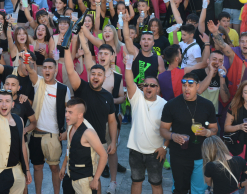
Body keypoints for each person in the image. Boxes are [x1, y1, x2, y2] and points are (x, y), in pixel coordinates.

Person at [64, 49, 118, 194]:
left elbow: (112, 122)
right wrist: (66, 49)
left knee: (95, 178)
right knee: (75, 175)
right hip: (79, 141)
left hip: (99, 143)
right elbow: (70, 71)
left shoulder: (108, 97)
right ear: (89, 76)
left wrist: (113, 142)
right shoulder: (81, 88)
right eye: (93, 74)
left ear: (104, 78)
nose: (95, 77)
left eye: (99, 75)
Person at [160, 72, 218, 194]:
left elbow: (215, 129)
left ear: (198, 87)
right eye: (184, 84)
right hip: (179, 156)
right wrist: (173, 136)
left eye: (190, 85)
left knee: (199, 191)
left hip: (201, 156)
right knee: (180, 190)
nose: (186, 88)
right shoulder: (171, 105)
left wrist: (207, 132)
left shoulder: (207, 105)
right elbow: (163, 130)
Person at [0, 65, 32, 193]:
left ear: (12, 104)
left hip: (17, 171)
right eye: (1, 101)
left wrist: (26, 170)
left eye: (7, 101)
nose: (4, 104)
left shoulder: (19, 120)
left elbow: (22, 146)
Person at [25, 56, 70, 194]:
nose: (47, 70)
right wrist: (26, 58)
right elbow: (30, 70)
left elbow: (70, 113)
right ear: (41, 70)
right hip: (36, 134)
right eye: (44, 68)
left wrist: (67, 132)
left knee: (54, 168)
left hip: (54, 136)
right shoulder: (38, 82)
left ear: (56, 70)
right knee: (37, 167)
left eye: (50, 67)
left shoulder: (63, 89)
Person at [124, 53, 167, 194]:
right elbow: (129, 82)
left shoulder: (165, 105)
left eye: (153, 85)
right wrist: (128, 65)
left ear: (158, 89)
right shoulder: (137, 98)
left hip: (155, 152)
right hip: (135, 151)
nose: (149, 87)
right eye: (146, 85)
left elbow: (170, 129)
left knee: (156, 184)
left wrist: (164, 147)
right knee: (136, 182)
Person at [60, 98, 108, 194]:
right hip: (70, 177)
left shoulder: (88, 132)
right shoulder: (70, 125)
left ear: (80, 114)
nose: (66, 115)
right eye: (66, 111)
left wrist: (96, 179)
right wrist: (63, 166)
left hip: (84, 182)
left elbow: (104, 155)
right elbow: (69, 148)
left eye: (70, 112)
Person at [208, 20, 247, 100]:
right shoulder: (234, 52)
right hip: (231, 95)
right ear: (239, 43)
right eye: (242, 41)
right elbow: (223, 45)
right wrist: (215, 33)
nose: (244, 44)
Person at [122, 14, 165, 85]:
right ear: (140, 42)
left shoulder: (158, 59)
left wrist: (148, 85)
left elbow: (163, 79)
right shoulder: (135, 53)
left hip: (150, 93)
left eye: (149, 39)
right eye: (144, 39)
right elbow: (127, 38)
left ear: (153, 43)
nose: (146, 41)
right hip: (135, 92)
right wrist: (125, 22)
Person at [224, 80, 247, 158]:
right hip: (238, 147)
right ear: (242, 94)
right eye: (246, 92)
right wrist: (240, 127)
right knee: (237, 169)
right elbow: (226, 128)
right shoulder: (234, 107)